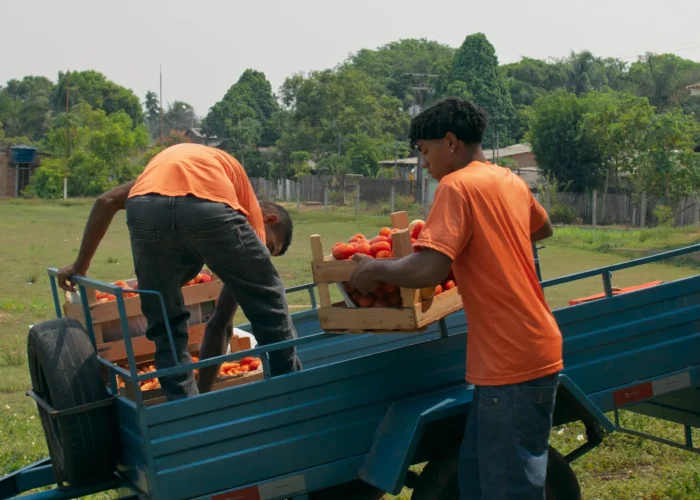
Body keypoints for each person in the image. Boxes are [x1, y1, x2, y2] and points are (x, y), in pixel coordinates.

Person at [349, 97, 563, 499]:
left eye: (425, 151)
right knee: (479, 479)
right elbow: (543, 227)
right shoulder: (508, 179)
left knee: (508, 487)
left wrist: (373, 269)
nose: (424, 163)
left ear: (450, 142)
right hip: (518, 350)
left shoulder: (457, 185)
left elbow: (428, 269)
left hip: (512, 357)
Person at [57, 143, 302, 400]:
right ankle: (292, 393)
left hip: (145, 208)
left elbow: (106, 200)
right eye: (269, 246)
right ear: (269, 219)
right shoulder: (246, 203)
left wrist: (80, 266)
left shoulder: (173, 172)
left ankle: (185, 408)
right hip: (207, 210)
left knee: (165, 323)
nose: (263, 249)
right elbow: (227, 319)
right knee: (271, 304)